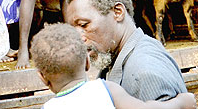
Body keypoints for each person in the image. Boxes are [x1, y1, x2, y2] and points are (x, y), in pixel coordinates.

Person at [64, 0, 187, 101]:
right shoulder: (117, 58)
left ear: (118, 12)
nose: (78, 38)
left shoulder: (145, 71)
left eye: (84, 25)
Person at [30, 23, 196, 109]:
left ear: (42, 77)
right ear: (88, 62)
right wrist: (180, 103)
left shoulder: (48, 107)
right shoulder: (107, 89)